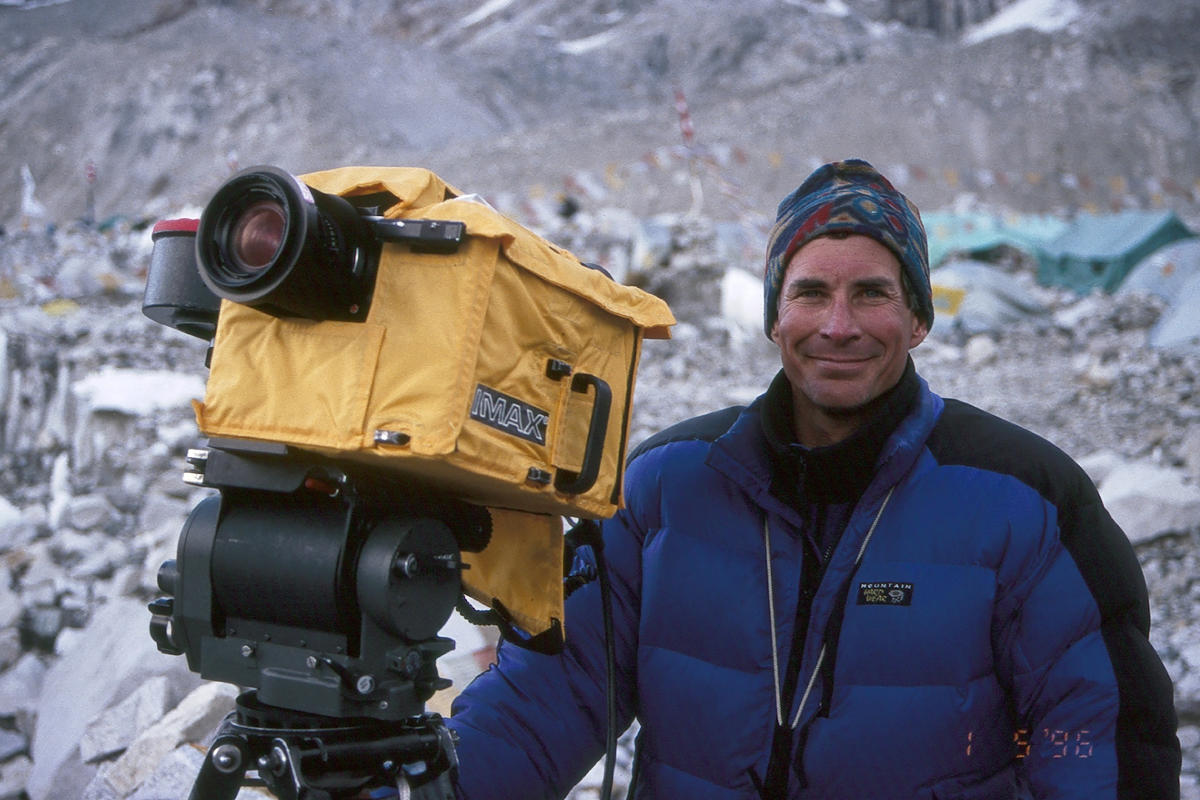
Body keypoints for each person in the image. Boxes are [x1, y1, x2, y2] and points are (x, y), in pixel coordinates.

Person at [446, 159, 1181, 798]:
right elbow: (548, 696)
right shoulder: (667, 488)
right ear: (773, 314)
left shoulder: (1024, 500)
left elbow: (1094, 739)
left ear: (918, 318)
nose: (838, 325)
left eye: (871, 293)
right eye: (809, 294)